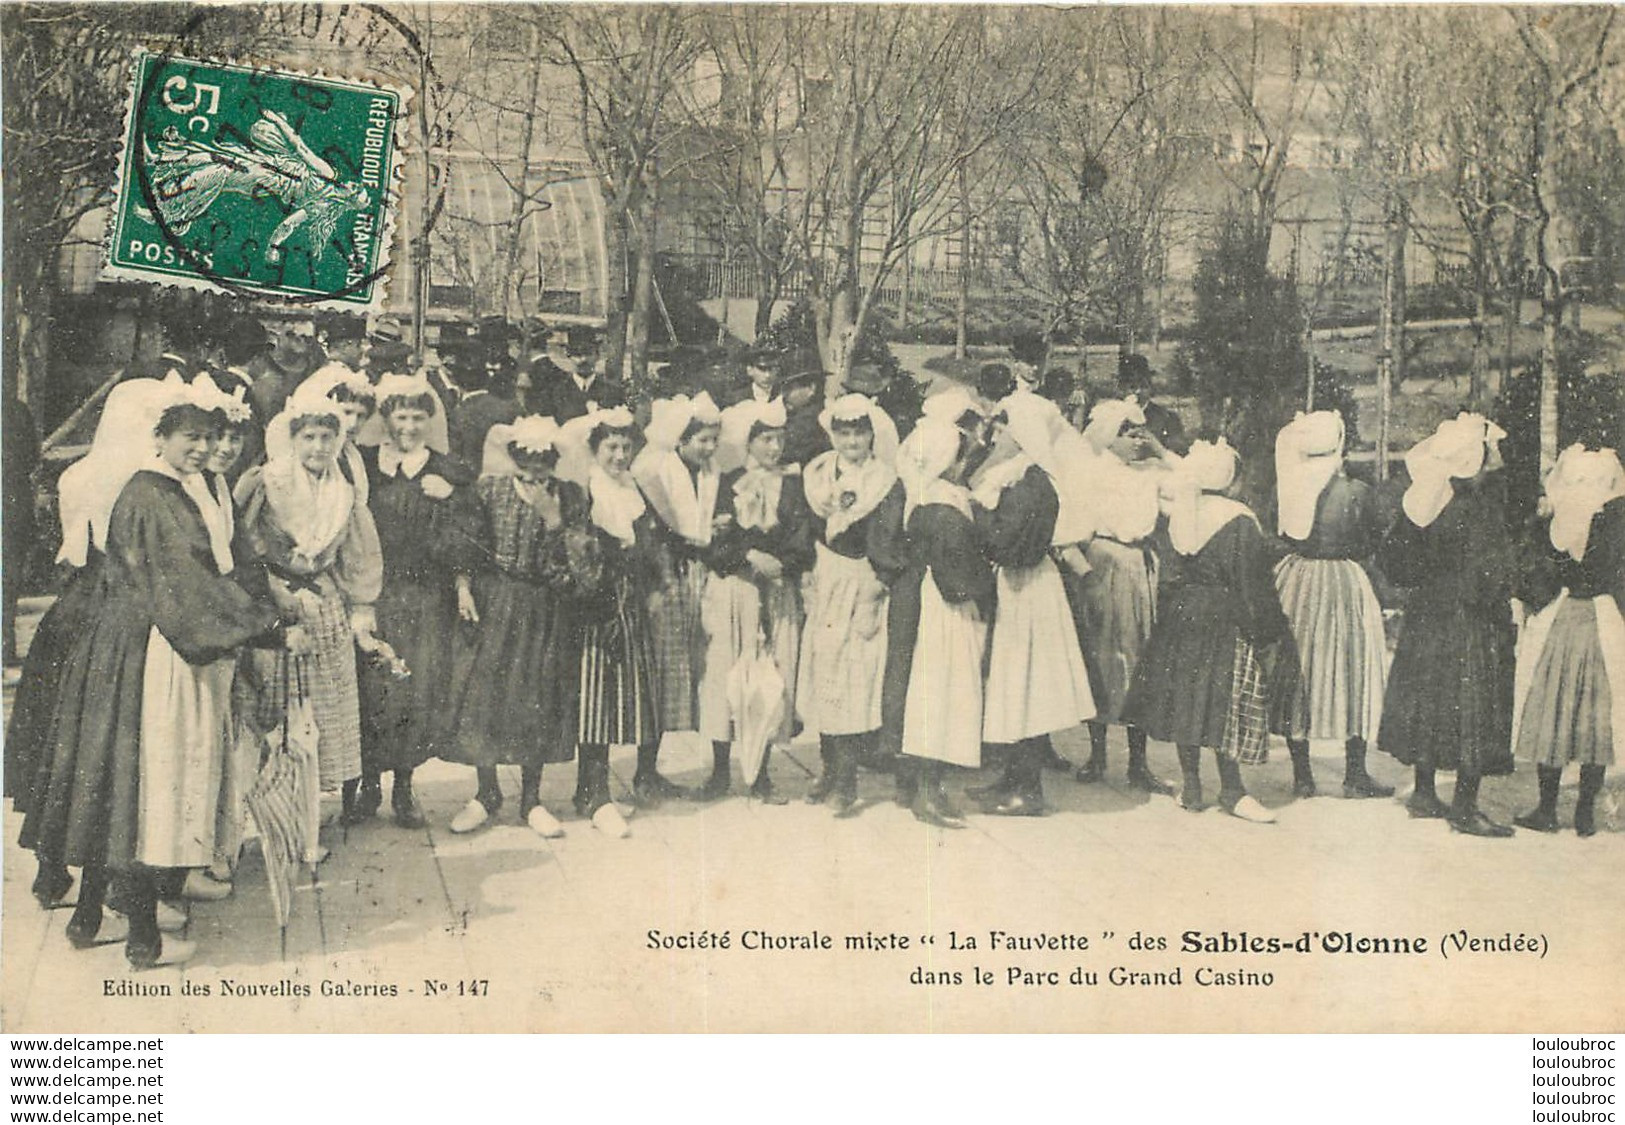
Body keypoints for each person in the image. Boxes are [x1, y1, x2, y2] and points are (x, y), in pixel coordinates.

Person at [17, 381, 284, 968]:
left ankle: (91, 919)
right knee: (146, 789)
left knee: (115, 782)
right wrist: (266, 626)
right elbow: (183, 583)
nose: (201, 447)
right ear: (159, 437)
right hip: (151, 652)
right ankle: (142, 935)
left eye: (209, 437)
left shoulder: (165, 487)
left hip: (128, 646)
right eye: (189, 437)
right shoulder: (153, 494)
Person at [235, 385, 385, 846]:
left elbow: (358, 559)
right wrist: (272, 590)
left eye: (326, 437)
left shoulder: (343, 492)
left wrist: (360, 612)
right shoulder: (266, 483)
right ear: (292, 440)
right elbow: (239, 546)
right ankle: (251, 817)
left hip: (323, 612)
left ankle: (303, 819)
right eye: (309, 438)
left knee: (313, 718)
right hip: (273, 610)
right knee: (267, 715)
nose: (318, 447)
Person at [1123, 439, 1287, 824]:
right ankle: (1231, 788)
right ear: (1230, 479)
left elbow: (1170, 572)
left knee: (1188, 694)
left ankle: (1192, 784)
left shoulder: (1184, 512)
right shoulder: (1239, 520)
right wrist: (1267, 630)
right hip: (1223, 615)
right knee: (1225, 698)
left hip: (1183, 614)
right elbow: (1252, 582)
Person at [446, 416, 590, 836]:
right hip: (496, 599)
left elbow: (580, 555)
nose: (534, 468)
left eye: (544, 459)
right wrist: (463, 587)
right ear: (513, 457)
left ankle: (532, 799)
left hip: (544, 604)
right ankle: (486, 793)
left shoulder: (569, 496)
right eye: (526, 458)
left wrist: (552, 518)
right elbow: (466, 541)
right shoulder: (489, 490)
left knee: (537, 696)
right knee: (485, 696)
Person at [1377, 413, 1518, 837]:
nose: (1498, 457)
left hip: (1427, 616)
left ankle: (1423, 792)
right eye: (1490, 449)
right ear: (1472, 460)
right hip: (1468, 619)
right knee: (1472, 704)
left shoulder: (1427, 500)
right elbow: (1493, 573)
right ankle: (1464, 806)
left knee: (1429, 697)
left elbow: (1395, 564)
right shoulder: (1477, 510)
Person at [353, 373, 479, 828]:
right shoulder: (365, 464)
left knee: (413, 691)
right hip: (374, 592)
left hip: (425, 597)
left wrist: (450, 502)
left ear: (429, 421)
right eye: (400, 417)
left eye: (417, 418)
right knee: (371, 690)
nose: (408, 427)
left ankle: (404, 788)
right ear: (385, 419)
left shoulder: (446, 470)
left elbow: (467, 535)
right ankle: (366, 785)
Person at [968, 391, 1097, 815]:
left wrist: (977, 519)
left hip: (1028, 589)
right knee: (1014, 684)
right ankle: (1012, 778)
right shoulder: (1014, 475)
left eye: (1004, 428)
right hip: (1020, 586)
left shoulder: (1030, 484)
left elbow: (1010, 547)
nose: (996, 434)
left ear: (1022, 435)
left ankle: (1028, 789)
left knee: (1024, 685)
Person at [1268, 410, 1393, 800]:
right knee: (1352, 671)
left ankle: (1303, 776)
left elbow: (1280, 531)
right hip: (1343, 581)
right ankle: (1355, 774)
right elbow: (1373, 537)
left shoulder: (1286, 487)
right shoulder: (1355, 491)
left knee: (1299, 672)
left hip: (1298, 579)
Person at [695, 398, 815, 802]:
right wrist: (748, 555)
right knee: (726, 679)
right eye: (765, 439)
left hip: (777, 591)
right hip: (736, 589)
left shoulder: (794, 485)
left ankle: (761, 771)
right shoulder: (728, 482)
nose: (773, 448)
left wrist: (782, 563)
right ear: (749, 442)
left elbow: (803, 537)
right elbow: (712, 540)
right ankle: (719, 771)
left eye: (778, 439)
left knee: (770, 680)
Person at [555, 407, 668, 837]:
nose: (619, 456)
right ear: (594, 450)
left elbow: (649, 540)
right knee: (594, 697)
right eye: (611, 448)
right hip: (596, 603)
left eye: (625, 447)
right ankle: (595, 792)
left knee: (619, 694)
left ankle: (593, 790)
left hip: (628, 599)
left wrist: (653, 585)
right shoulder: (585, 492)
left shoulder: (631, 487)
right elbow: (579, 549)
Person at [797, 392, 906, 815]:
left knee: (852, 680)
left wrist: (877, 585)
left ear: (871, 435)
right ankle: (828, 767)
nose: (851, 442)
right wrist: (806, 567)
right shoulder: (818, 474)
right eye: (843, 434)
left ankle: (848, 779)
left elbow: (888, 537)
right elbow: (807, 525)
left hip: (861, 581)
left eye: (859, 433)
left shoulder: (884, 481)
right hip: (824, 578)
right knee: (824, 673)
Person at [1066, 396, 1178, 795]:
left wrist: (1162, 452)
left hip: (1140, 564)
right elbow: (1074, 525)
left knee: (1140, 657)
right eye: (1127, 433)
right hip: (1104, 562)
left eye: (1139, 433)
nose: (1135, 440)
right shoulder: (1092, 471)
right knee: (1101, 655)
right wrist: (1087, 571)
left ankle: (1138, 762)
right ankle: (1097, 755)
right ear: (1107, 437)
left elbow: (1191, 485)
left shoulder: (1150, 471)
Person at [881, 388, 988, 808]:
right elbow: (964, 576)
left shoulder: (912, 495)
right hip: (943, 604)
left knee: (907, 682)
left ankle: (907, 783)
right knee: (938, 688)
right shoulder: (946, 507)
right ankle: (929, 788)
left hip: (911, 594)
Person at [1511, 444, 1624, 837]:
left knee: (1556, 707)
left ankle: (1546, 808)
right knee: (1596, 713)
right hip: (1606, 617)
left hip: (1565, 614)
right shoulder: (1615, 519)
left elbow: (1538, 572)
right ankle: (1585, 813)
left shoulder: (1556, 521)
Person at [633, 392, 725, 802]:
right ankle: (644, 770)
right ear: (681, 440)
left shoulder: (708, 474)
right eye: (701, 440)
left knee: (695, 671)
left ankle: (675, 766)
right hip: (665, 577)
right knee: (662, 670)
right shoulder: (658, 471)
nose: (708, 448)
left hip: (697, 573)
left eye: (712, 440)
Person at [530, 326, 624, 423]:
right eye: (577, 354)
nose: (583, 359)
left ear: (597, 355)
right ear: (568, 356)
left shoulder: (612, 393)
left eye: (588, 353)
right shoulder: (555, 393)